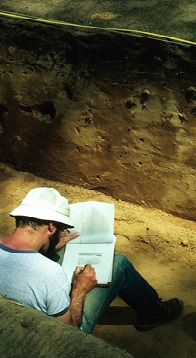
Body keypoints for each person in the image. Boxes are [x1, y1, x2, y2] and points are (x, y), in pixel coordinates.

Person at [0, 187, 183, 333]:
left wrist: (46, 248)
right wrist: (79, 291)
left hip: (11, 329)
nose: (64, 234)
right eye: (63, 229)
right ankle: (152, 312)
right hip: (47, 339)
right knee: (119, 264)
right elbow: (70, 333)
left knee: (60, 253)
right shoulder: (49, 274)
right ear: (51, 226)